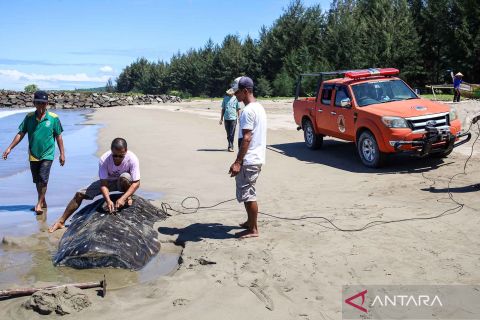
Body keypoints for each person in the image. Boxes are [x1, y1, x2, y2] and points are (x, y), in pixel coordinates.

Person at [48, 137, 140, 233]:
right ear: (111, 151)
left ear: (126, 151)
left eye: (121, 156)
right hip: (109, 182)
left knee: (124, 177)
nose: (117, 158)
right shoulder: (104, 159)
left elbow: (136, 182)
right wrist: (108, 200)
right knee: (79, 194)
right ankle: (61, 221)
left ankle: (128, 197)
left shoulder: (132, 158)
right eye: (115, 155)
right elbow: (104, 184)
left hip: (124, 182)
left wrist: (123, 198)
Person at [2, 90, 65, 214]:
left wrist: (62, 154)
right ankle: (42, 201)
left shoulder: (53, 118)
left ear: (47, 104)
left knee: (43, 178)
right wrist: (9, 148)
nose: (41, 106)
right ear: (34, 103)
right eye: (38, 103)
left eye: (43, 103)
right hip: (33, 154)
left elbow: (59, 136)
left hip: (48, 153)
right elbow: (21, 133)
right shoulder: (29, 117)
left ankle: (38, 204)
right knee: (37, 180)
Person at [228, 76, 267, 239]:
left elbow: (247, 138)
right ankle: (250, 222)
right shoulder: (259, 107)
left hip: (249, 159)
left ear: (245, 91)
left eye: (237, 93)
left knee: (248, 194)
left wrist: (238, 162)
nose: (235, 96)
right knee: (247, 192)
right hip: (256, 157)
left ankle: (253, 229)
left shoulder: (248, 111)